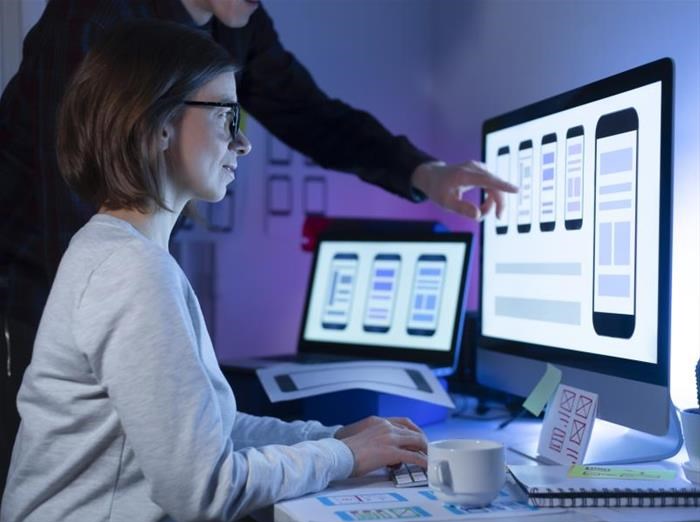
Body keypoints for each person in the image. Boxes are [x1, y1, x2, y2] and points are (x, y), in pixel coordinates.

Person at [0, 0, 517, 493]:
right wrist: (342, 456)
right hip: (32, 286)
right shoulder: (125, 267)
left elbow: (312, 114)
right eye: (227, 118)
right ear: (156, 124)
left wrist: (337, 441)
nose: (243, 143)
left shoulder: (136, 261)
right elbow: (201, 484)